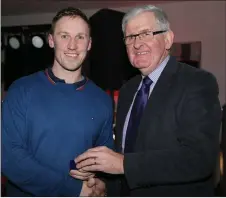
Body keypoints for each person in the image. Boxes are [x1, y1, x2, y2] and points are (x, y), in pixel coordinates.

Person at [71, 4, 222, 196]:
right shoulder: (127, 90)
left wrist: (124, 164)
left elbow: (199, 159)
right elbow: (124, 154)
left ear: (168, 39)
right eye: (130, 37)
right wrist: (106, 187)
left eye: (146, 34)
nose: (137, 43)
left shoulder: (196, 82)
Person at [1, 7, 113, 196]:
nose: (72, 45)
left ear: (90, 44)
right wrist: (73, 189)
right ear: (51, 40)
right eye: (64, 36)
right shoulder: (21, 90)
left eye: (80, 37)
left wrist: (102, 183)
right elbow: (8, 158)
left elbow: (104, 157)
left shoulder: (102, 99)